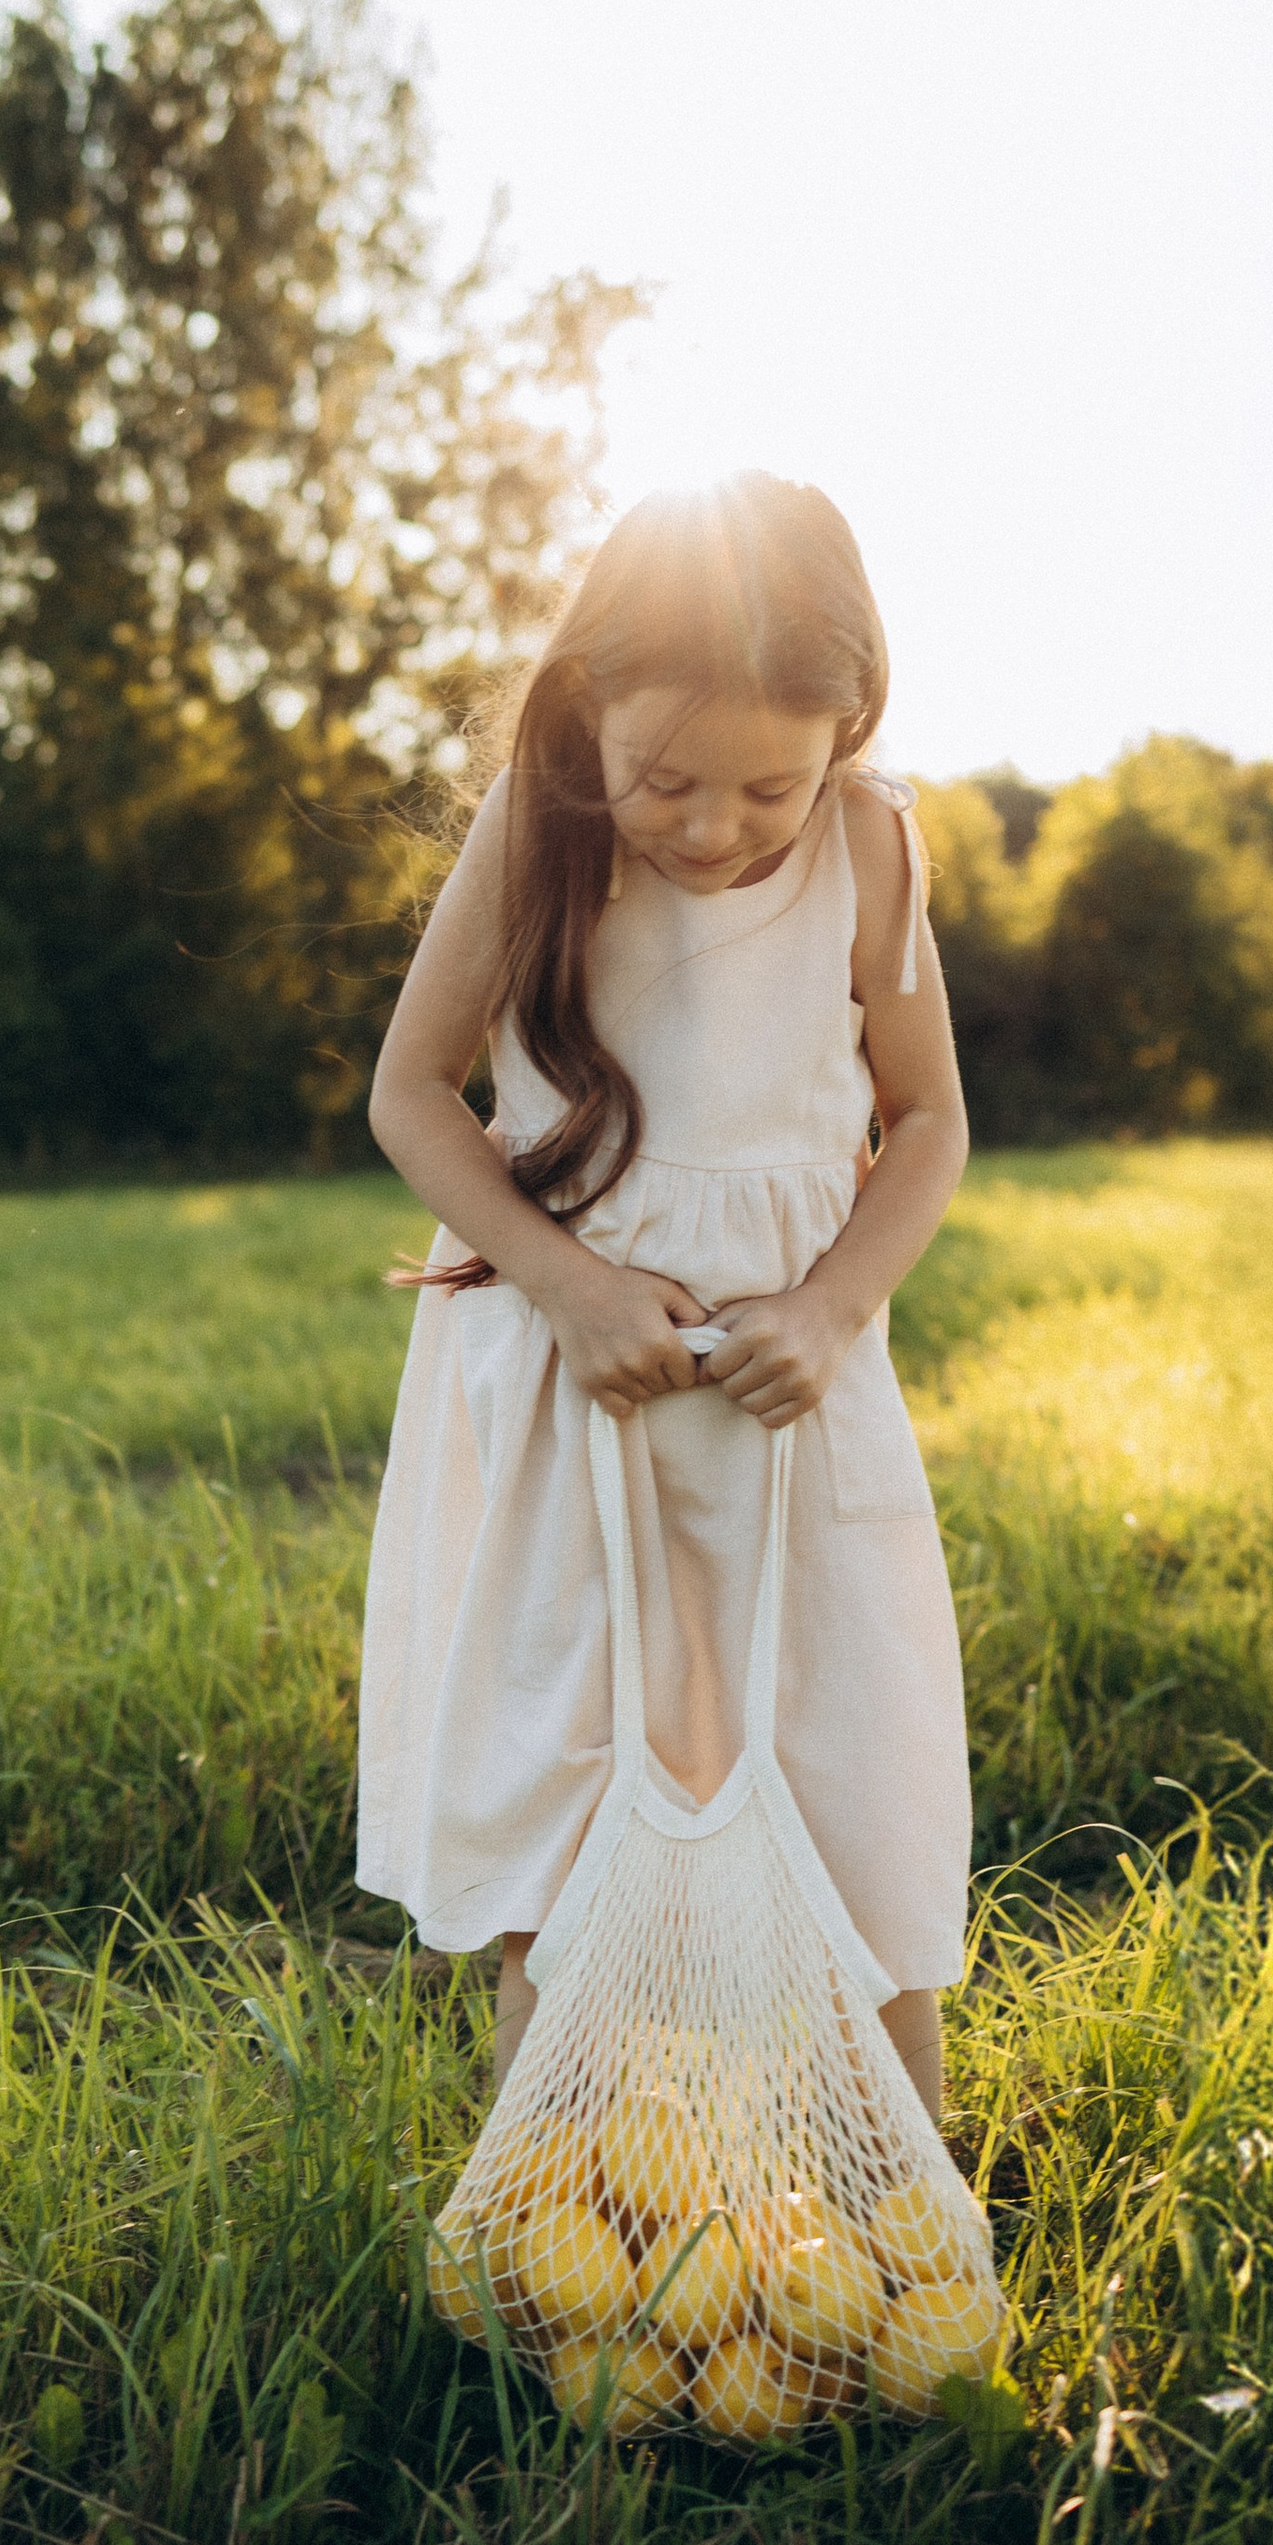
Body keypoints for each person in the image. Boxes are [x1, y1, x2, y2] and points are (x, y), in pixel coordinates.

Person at [358, 472, 971, 2126]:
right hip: (579, 1392)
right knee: (576, 1793)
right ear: (589, 712)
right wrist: (566, 1286)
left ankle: (896, 2233)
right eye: (668, 780)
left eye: (770, 782)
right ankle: (576, 2233)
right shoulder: (536, 832)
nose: (715, 827)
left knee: (849, 1768)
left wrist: (836, 1305)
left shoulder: (867, 843)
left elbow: (927, 1123)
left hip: (788, 1395)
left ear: (846, 729)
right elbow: (412, 1094)